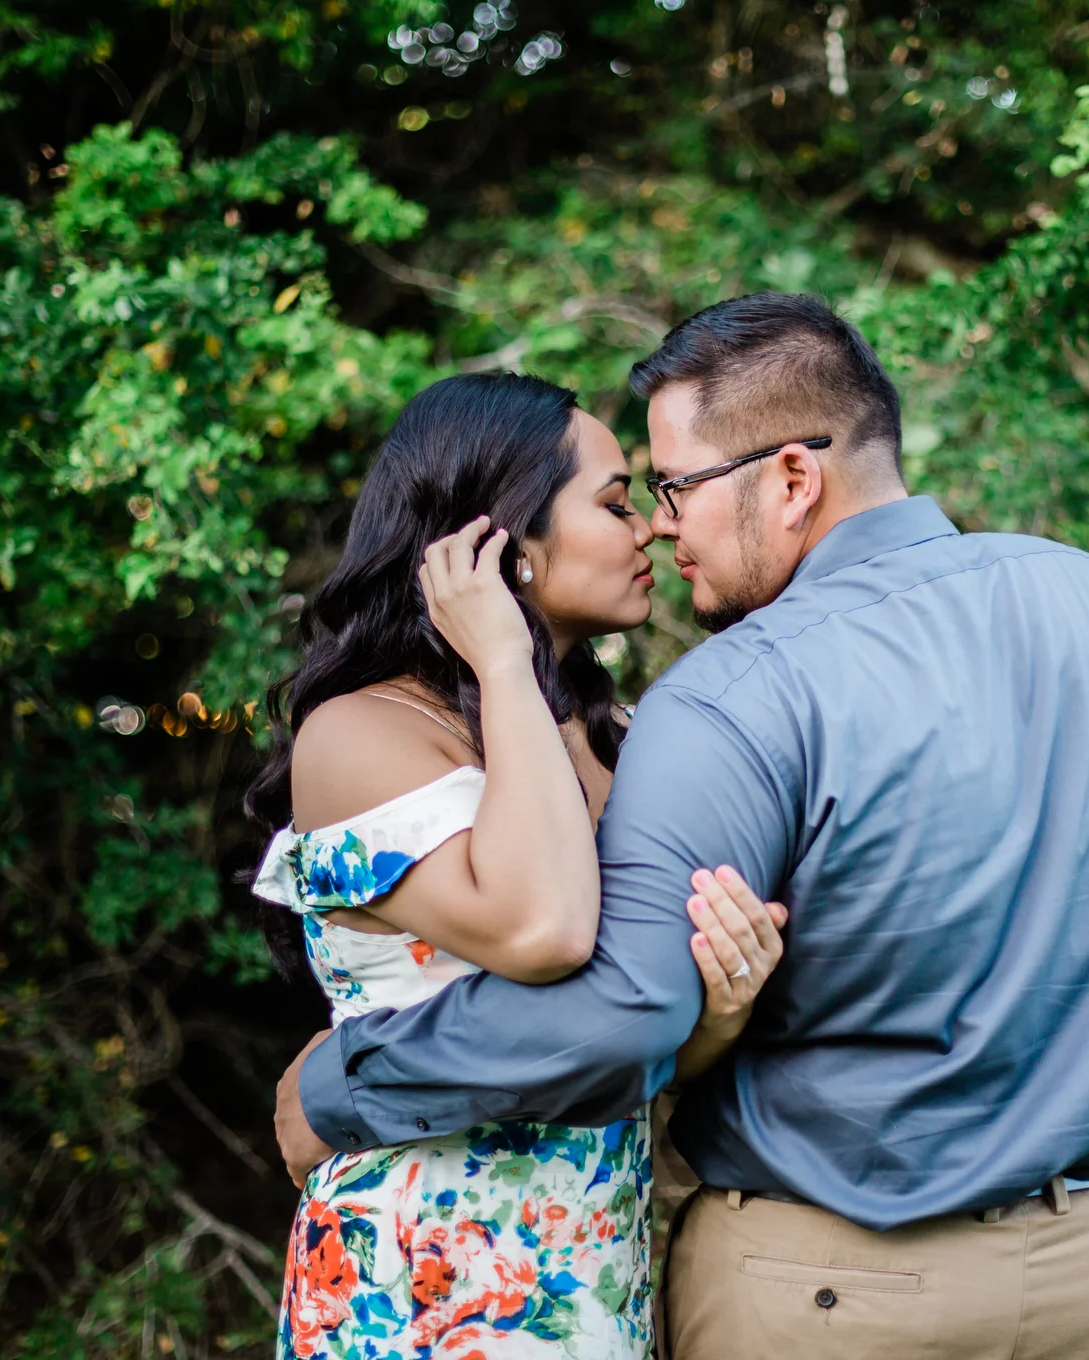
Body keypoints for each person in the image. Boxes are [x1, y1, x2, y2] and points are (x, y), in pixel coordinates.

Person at [274, 293, 1089, 1359]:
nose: (662, 523)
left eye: (670, 488)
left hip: (826, 1293)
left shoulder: (731, 698)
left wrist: (344, 1081)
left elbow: (625, 1007)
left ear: (794, 478)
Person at [243, 372, 788, 1359]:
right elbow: (544, 931)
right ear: (502, 543)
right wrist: (500, 657)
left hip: (587, 1275)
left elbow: (627, 1050)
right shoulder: (362, 733)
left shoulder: (617, 737)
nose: (654, 531)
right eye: (618, 502)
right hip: (420, 1283)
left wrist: (719, 1012)